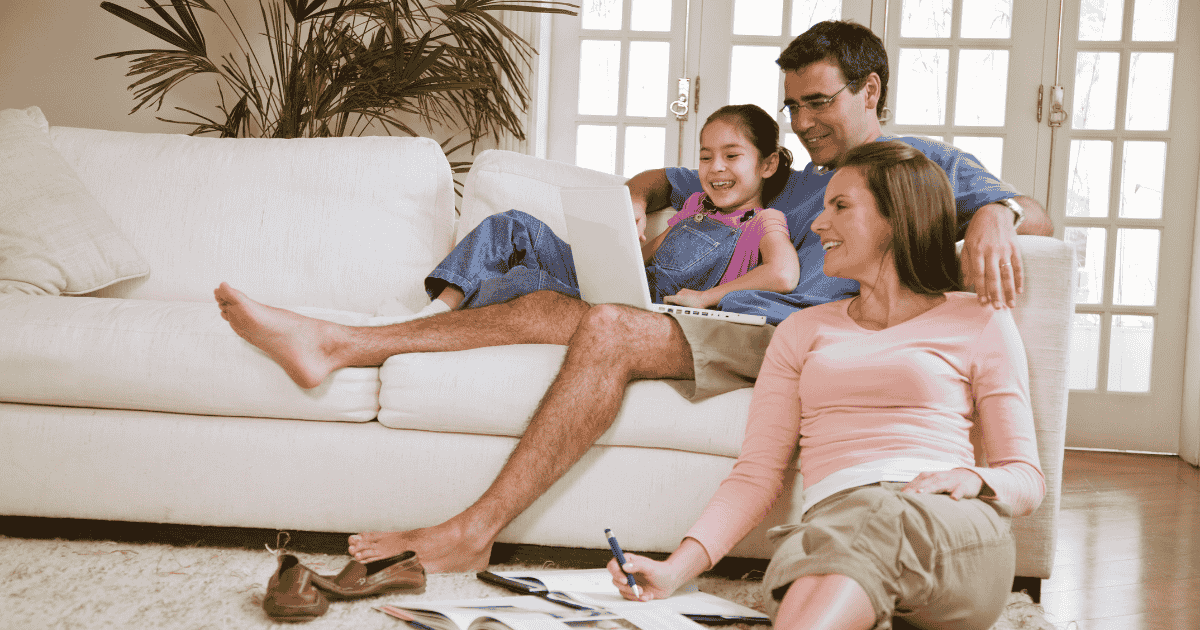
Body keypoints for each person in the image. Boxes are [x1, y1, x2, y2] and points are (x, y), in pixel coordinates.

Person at [212, 19, 1052, 573]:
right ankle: (341, 342)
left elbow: (1034, 210)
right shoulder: (792, 176)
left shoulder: (918, 162)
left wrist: (999, 218)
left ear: (871, 92)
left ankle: (473, 529)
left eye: (819, 101)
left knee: (610, 327)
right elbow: (676, 175)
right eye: (792, 105)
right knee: (548, 308)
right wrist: (633, 205)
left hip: (789, 335)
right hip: (721, 319)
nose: (800, 120)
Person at [606, 140, 1044, 630]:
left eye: (840, 206)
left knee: (873, 517)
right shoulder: (801, 330)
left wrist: (975, 479)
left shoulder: (978, 318)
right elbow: (756, 475)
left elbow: (1026, 479)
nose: (816, 223)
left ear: (897, 218)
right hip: (833, 531)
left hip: (950, 529)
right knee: (831, 546)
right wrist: (673, 570)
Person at [422, 104, 800, 313]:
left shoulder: (764, 221)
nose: (716, 167)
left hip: (645, 306)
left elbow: (782, 274)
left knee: (527, 284)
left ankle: (449, 317)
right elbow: (643, 260)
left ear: (766, 165)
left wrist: (703, 298)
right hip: (613, 282)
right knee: (511, 224)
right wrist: (616, 245)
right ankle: (439, 310)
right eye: (706, 157)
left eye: (731, 156)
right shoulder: (694, 206)